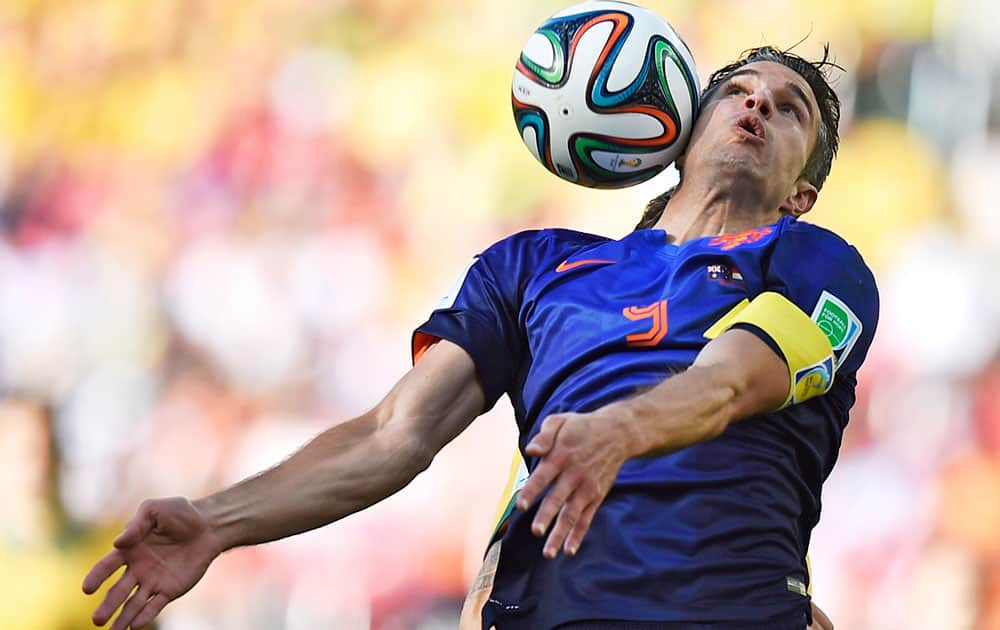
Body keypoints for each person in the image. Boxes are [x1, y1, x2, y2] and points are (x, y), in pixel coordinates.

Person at [83, 44, 876, 630]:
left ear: (804, 190)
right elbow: (395, 433)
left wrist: (621, 430)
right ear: (677, 136)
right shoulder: (534, 268)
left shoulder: (816, 265)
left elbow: (732, 380)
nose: (758, 105)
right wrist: (220, 522)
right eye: (736, 91)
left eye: (789, 106)